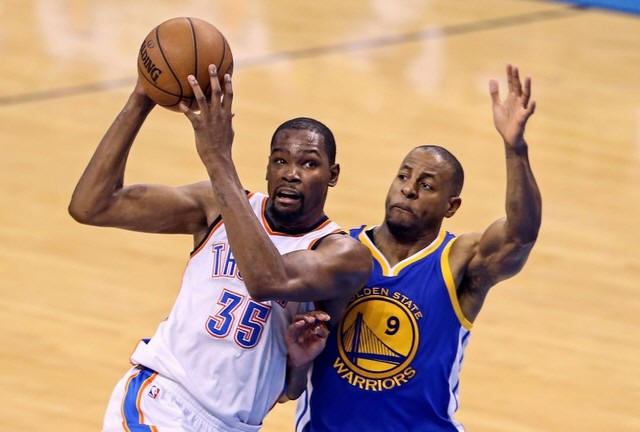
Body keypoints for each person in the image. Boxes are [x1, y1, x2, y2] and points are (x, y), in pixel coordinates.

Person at [68, 65, 371, 432]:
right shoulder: (214, 205)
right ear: (267, 168)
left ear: (333, 175)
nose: (291, 173)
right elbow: (92, 206)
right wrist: (142, 99)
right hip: (165, 401)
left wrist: (297, 362)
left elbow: (266, 283)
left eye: (309, 164)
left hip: (236, 425)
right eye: (280, 160)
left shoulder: (342, 254)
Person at [291, 64, 542, 432]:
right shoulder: (340, 251)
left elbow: (520, 236)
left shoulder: (458, 260)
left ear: (451, 206)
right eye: (403, 176)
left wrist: (515, 149)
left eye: (426, 185)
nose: (408, 189)